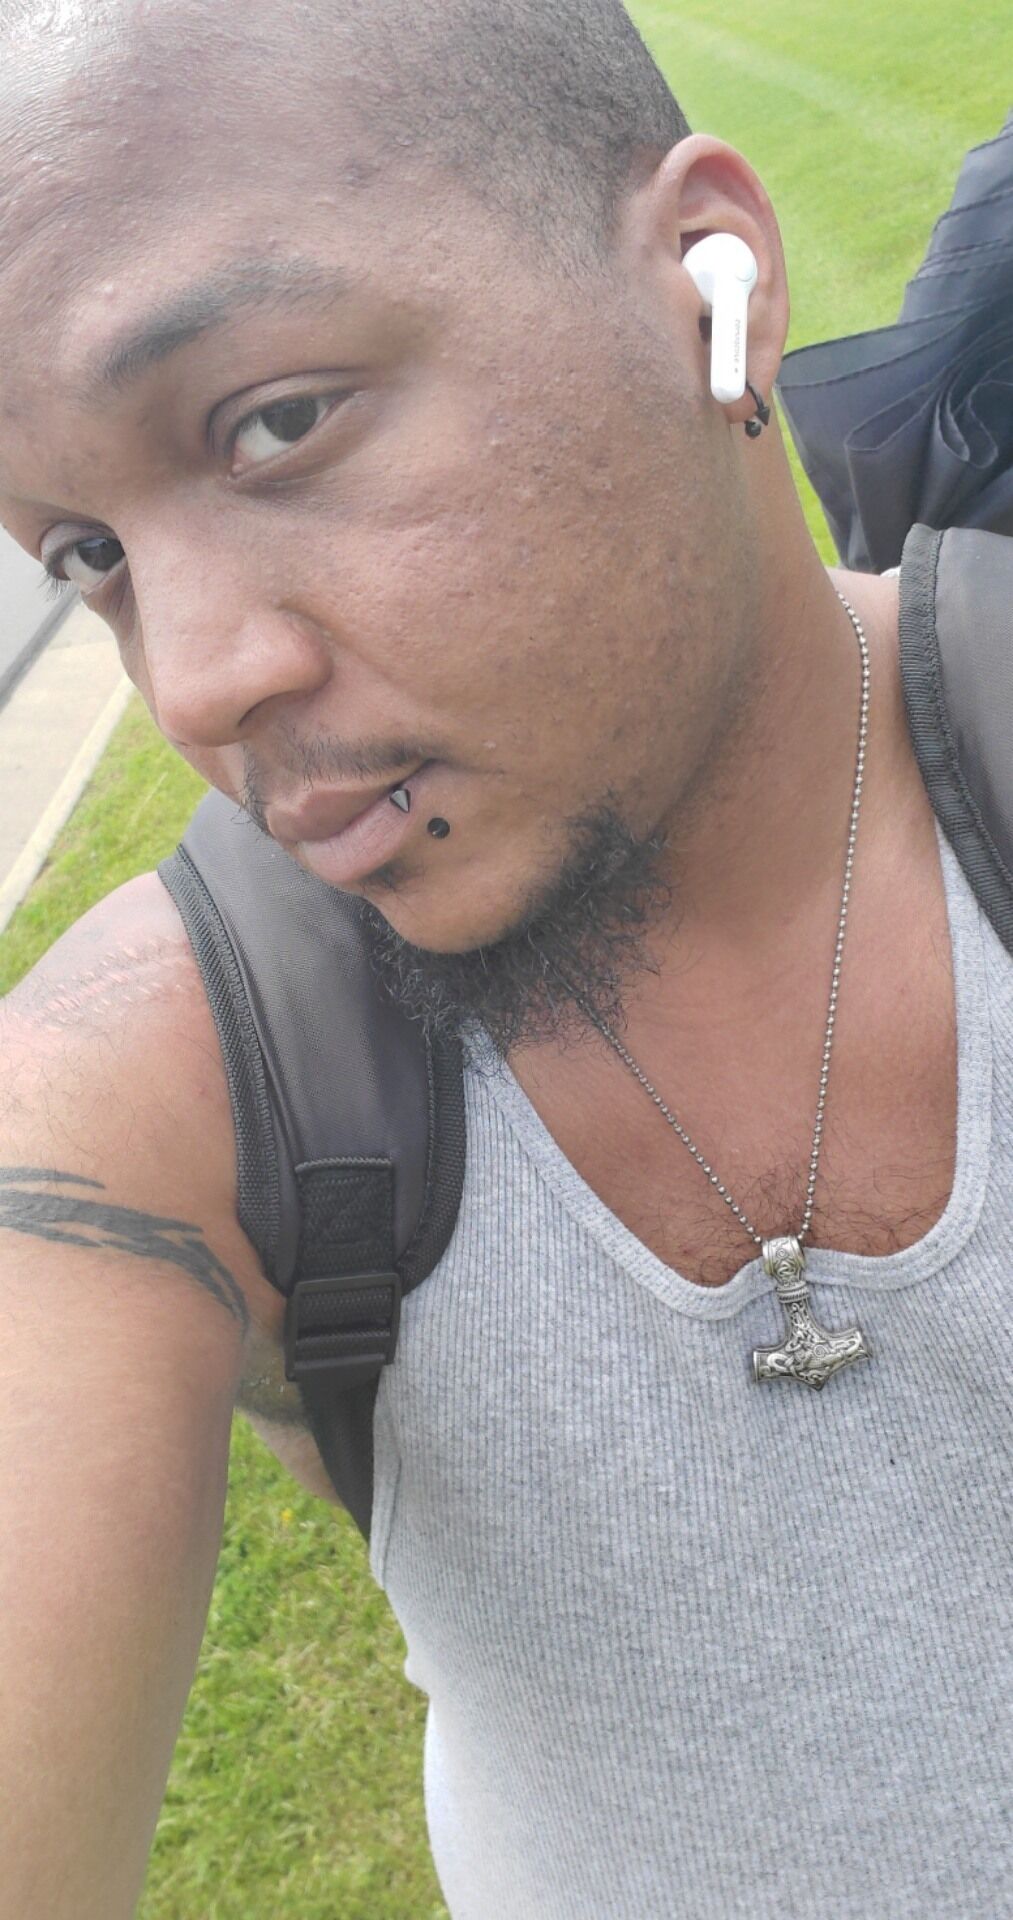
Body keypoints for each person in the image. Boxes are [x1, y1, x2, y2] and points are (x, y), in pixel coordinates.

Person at [0, 3, 1007, 1917]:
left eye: (276, 421)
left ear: (708, 281)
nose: (195, 685)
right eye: (84, 555)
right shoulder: (156, 1101)